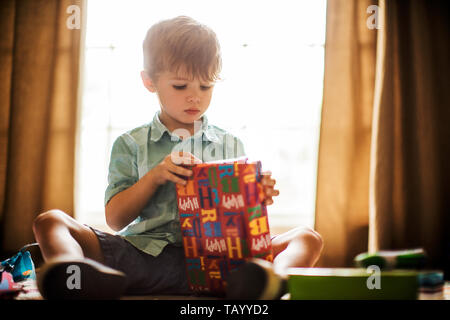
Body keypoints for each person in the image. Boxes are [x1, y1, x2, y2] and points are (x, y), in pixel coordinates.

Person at [33, 16, 323, 299]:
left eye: (206, 86)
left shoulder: (230, 144)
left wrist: (255, 197)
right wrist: (155, 176)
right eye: (181, 86)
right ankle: (71, 275)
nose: (195, 97)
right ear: (149, 81)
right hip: (141, 257)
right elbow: (116, 220)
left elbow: (241, 226)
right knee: (50, 221)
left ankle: (272, 282)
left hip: (217, 264)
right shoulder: (131, 143)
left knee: (307, 237)